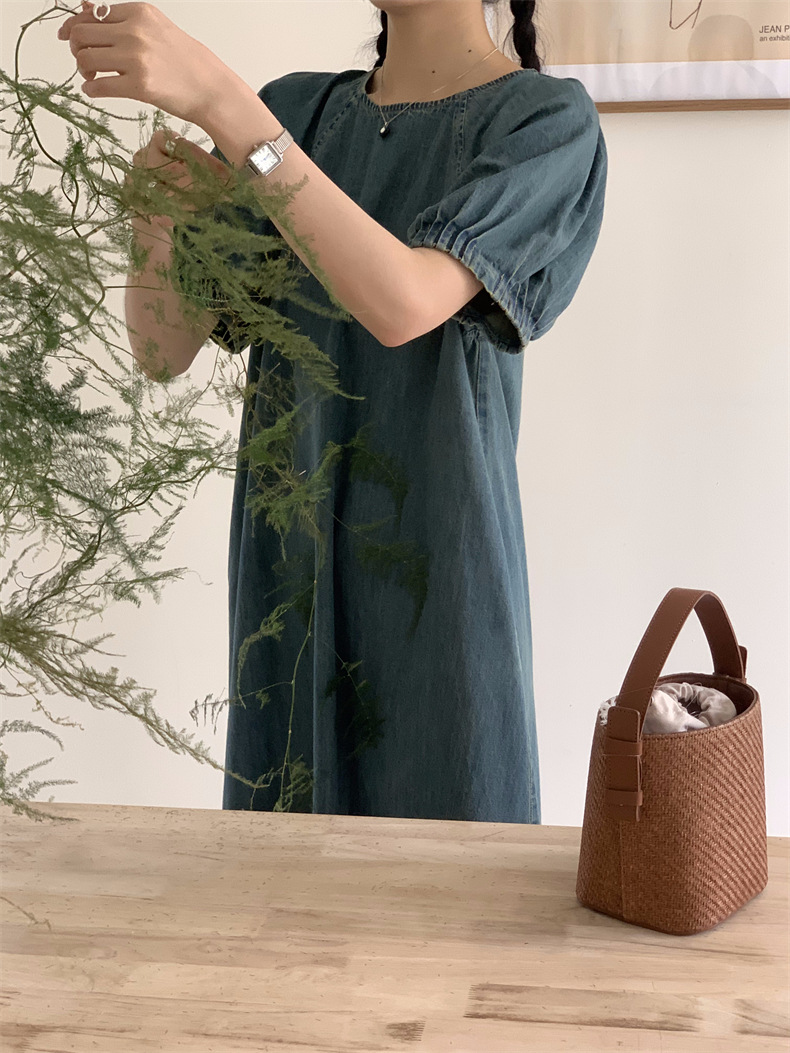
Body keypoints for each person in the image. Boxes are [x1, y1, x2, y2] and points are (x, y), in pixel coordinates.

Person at [60, 0, 608, 822]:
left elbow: (404, 301)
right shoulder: (295, 112)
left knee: (449, 884)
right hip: (288, 591)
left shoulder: (544, 123)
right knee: (281, 888)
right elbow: (162, 346)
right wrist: (157, 215)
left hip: (440, 594)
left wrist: (219, 99)